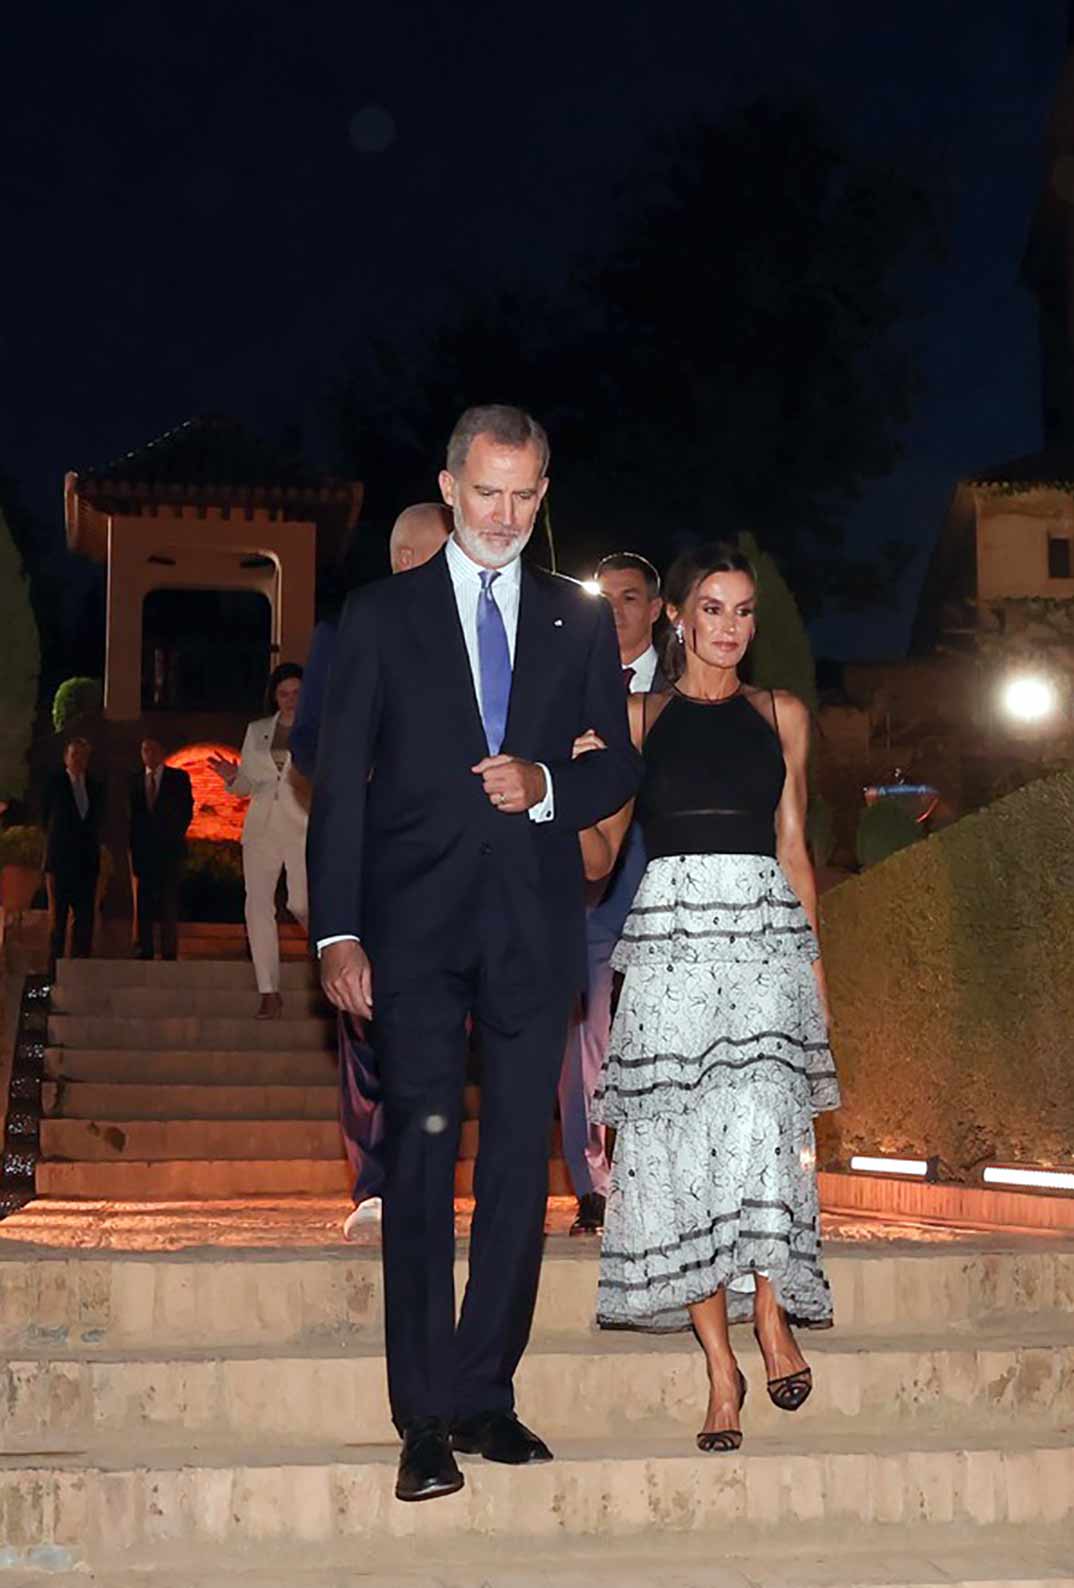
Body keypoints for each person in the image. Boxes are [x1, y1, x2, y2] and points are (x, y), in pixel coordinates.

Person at [309, 404, 641, 1503]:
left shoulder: (576, 621)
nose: (503, 515)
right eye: (485, 492)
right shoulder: (377, 615)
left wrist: (549, 785)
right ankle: (421, 1417)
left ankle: (486, 1393)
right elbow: (339, 787)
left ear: (543, 495)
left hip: (532, 926)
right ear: (448, 486)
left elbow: (612, 772)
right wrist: (337, 929)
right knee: (418, 1164)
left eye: (524, 495)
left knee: (513, 1172)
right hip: (408, 929)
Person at [586, 541, 840, 1454]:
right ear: (679, 616)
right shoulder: (637, 716)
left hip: (766, 939)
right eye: (713, 609)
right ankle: (720, 1366)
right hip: (672, 947)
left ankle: (772, 1321)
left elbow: (796, 848)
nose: (729, 628)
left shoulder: (782, 713)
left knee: (769, 1134)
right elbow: (599, 854)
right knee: (683, 1147)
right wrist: (563, 782)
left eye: (744, 612)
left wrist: (814, 974)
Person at [290, 503, 451, 1240]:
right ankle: (377, 1182)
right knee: (367, 1026)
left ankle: (425, 1173)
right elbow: (311, 751)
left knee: (446, 1031)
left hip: (461, 871)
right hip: (375, 864)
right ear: (412, 558)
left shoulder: (489, 637)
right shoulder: (345, 633)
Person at [558, 552, 665, 1236]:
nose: (620, 609)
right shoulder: (570, 682)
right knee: (584, 1042)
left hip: (665, 881)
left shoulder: (686, 688)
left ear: (656, 608)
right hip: (589, 885)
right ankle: (593, 1187)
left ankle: (659, 1183)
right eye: (609, 598)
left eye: (632, 597)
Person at [209, 664, 309, 1019]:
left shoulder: (319, 728)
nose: (291, 700)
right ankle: (269, 990)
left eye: (297, 693)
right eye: (284, 693)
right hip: (262, 828)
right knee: (257, 905)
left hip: (302, 826)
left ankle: (330, 953)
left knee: (300, 903)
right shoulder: (257, 731)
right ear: (274, 696)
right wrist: (232, 777)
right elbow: (247, 785)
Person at [42, 737, 105, 971]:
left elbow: (98, 822)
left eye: (83, 755)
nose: (79, 760)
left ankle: (80, 967)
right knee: (58, 918)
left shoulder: (95, 786)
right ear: (66, 758)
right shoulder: (55, 784)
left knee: (84, 918)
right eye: (74, 755)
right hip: (60, 862)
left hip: (86, 863)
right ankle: (54, 969)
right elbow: (45, 818)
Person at [128, 738, 194, 960]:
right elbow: (130, 818)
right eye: (144, 750)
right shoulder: (135, 780)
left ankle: (168, 950)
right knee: (144, 903)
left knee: (168, 902)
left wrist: (171, 835)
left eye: (153, 750)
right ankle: (144, 948)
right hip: (143, 853)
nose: (149, 754)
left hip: (169, 851)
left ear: (162, 752)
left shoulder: (178, 778)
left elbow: (186, 811)